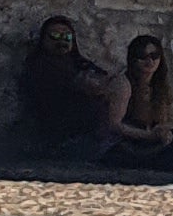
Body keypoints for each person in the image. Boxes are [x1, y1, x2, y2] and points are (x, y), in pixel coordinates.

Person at [19, 15, 121, 152]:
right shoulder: (39, 65)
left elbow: (104, 79)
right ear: (43, 39)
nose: (61, 41)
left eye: (67, 37)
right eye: (55, 35)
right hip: (62, 136)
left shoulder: (79, 63)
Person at [100, 34, 173, 171]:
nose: (149, 61)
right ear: (133, 59)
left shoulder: (159, 86)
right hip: (122, 143)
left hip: (146, 139)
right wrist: (149, 136)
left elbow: (161, 121)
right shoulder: (123, 84)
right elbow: (115, 125)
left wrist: (163, 133)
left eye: (154, 55)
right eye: (142, 56)